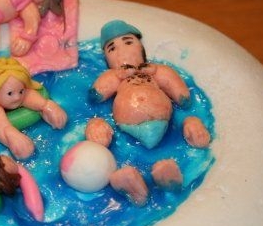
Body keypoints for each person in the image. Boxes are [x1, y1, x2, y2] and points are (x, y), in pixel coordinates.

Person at [88, 20, 211, 189]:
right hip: (127, 123)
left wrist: (180, 95)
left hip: (162, 119)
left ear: (140, 46)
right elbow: (96, 94)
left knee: (186, 123)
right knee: (101, 133)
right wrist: (117, 74)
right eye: (112, 48)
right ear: (107, 58)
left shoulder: (155, 71)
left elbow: (180, 94)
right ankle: (134, 184)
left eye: (128, 42)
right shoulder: (115, 76)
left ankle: (168, 177)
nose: (122, 51)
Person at [0, 57, 67, 159]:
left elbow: (29, 95)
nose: (17, 97)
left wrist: (47, 106)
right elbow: (0, 126)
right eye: (10, 93)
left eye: (21, 91)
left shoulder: (20, 93)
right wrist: (12, 136)